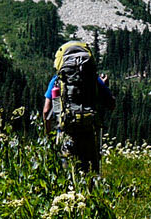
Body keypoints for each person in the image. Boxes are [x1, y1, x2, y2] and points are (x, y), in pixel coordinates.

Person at [42, 40, 114, 173]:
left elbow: (46, 112)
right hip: (89, 133)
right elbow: (111, 104)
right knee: (91, 175)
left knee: (65, 175)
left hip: (65, 132)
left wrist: (48, 137)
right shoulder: (94, 79)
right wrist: (104, 86)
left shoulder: (57, 81)